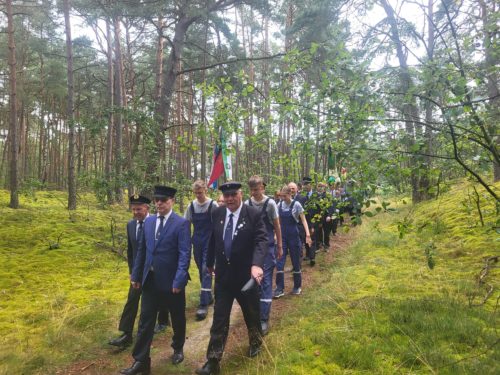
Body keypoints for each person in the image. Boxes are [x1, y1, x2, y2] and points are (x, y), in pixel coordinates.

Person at [196, 182, 268, 375]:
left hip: (246, 277)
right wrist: (209, 262)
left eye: (233, 195)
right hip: (223, 279)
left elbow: (262, 240)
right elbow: (213, 239)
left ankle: (255, 342)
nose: (229, 199)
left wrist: (257, 264)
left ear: (240, 194)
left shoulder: (252, 214)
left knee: (251, 314)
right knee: (219, 318)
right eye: (226, 196)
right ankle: (213, 361)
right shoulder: (218, 213)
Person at [121, 186, 191, 375]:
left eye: (164, 200)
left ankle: (177, 348)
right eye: (157, 200)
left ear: (172, 201)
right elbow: (141, 251)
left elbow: (185, 254)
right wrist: (136, 275)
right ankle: (141, 361)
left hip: (171, 281)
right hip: (150, 281)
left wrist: (179, 279)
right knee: (145, 320)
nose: (159, 203)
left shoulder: (181, 223)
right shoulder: (149, 222)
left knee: (177, 317)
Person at [108, 194, 170, 350]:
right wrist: (132, 272)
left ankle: (163, 321)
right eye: (133, 209)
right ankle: (126, 334)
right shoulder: (130, 225)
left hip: (154, 270)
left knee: (160, 297)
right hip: (138, 271)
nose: (136, 212)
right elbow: (131, 251)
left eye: (139, 209)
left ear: (147, 208)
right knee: (132, 300)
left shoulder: (157, 222)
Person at [245, 176, 283, 335]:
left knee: (266, 280)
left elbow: (277, 225)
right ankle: (255, 311)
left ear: (262, 187)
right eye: (252, 190)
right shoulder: (247, 204)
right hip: (252, 248)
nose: (255, 192)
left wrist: (280, 245)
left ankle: (263, 318)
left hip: (267, 247)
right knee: (255, 280)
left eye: (257, 189)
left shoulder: (271, 204)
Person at [185, 179, 218, 320]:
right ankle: (208, 295)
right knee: (201, 269)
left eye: (200, 192)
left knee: (206, 269)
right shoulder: (191, 206)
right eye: (196, 193)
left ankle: (203, 305)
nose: (198, 195)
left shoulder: (213, 205)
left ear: (205, 190)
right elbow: (186, 224)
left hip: (210, 242)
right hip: (197, 241)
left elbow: (219, 224)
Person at [274, 185, 312, 298]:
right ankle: (279, 288)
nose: (282, 198)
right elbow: (278, 222)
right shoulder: (279, 205)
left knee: (296, 261)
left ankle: (297, 287)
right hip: (283, 237)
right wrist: (276, 235)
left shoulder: (296, 205)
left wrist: (308, 235)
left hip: (294, 236)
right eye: (281, 196)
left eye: (284, 196)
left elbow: (304, 220)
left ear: (290, 194)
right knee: (280, 262)